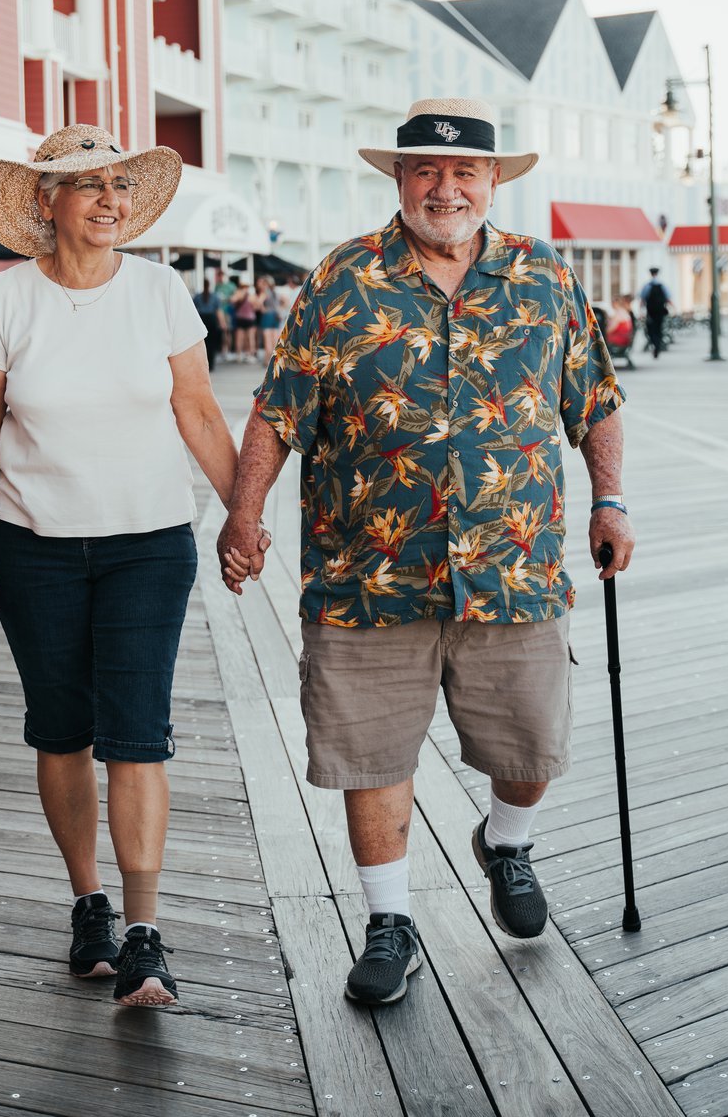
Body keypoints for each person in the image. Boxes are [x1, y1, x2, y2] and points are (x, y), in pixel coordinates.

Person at [218, 97, 634, 1008]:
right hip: (368, 575)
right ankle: (389, 922)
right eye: (426, 171)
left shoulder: (544, 275)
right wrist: (243, 514)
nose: (445, 188)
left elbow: (594, 400)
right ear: (400, 178)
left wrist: (609, 499)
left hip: (513, 566)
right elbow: (279, 410)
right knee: (371, 754)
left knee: (531, 743)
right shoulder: (342, 279)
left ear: (492, 181)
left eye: (464, 172)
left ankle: (506, 843)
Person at [0, 123, 268, 1011]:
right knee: (61, 730)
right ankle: (88, 902)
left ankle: (142, 933)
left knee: (137, 731)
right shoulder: (5, 298)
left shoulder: (160, 290)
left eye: (119, 185)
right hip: (31, 546)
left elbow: (197, 409)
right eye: (89, 185)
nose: (109, 200)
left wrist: (241, 514)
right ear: (46, 202)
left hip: (148, 544)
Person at [639, 266, 671, 358]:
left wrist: (640, 311)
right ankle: (657, 346)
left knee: (650, 330)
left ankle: (655, 344)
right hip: (660, 312)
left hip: (651, 312)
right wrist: (674, 308)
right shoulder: (662, 285)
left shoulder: (647, 286)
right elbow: (668, 298)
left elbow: (642, 299)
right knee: (659, 329)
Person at [192, 278, 224, 371]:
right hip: (212, 320)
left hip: (202, 320)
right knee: (212, 344)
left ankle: (203, 364)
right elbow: (218, 311)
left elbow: (194, 311)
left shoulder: (197, 297)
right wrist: (222, 323)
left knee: (203, 344)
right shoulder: (215, 297)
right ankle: (211, 364)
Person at [232, 277, 261, 362]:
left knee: (239, 338)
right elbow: (256, 307)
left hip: (240, 318)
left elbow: (232, 301)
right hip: (249, 318)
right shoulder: (251, 295)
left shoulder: (238, 293)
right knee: (250, 338)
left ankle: (239, 355)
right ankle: (249, 355)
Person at [256, 274, 281, 360]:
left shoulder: (265, 292)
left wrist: (262, 308)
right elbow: (284, 301)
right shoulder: (274, 292)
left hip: (267, 316)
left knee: (267, 339)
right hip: (275, 315)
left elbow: (259, 302)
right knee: (275, 339)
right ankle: (275, 360)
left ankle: (267, 360)